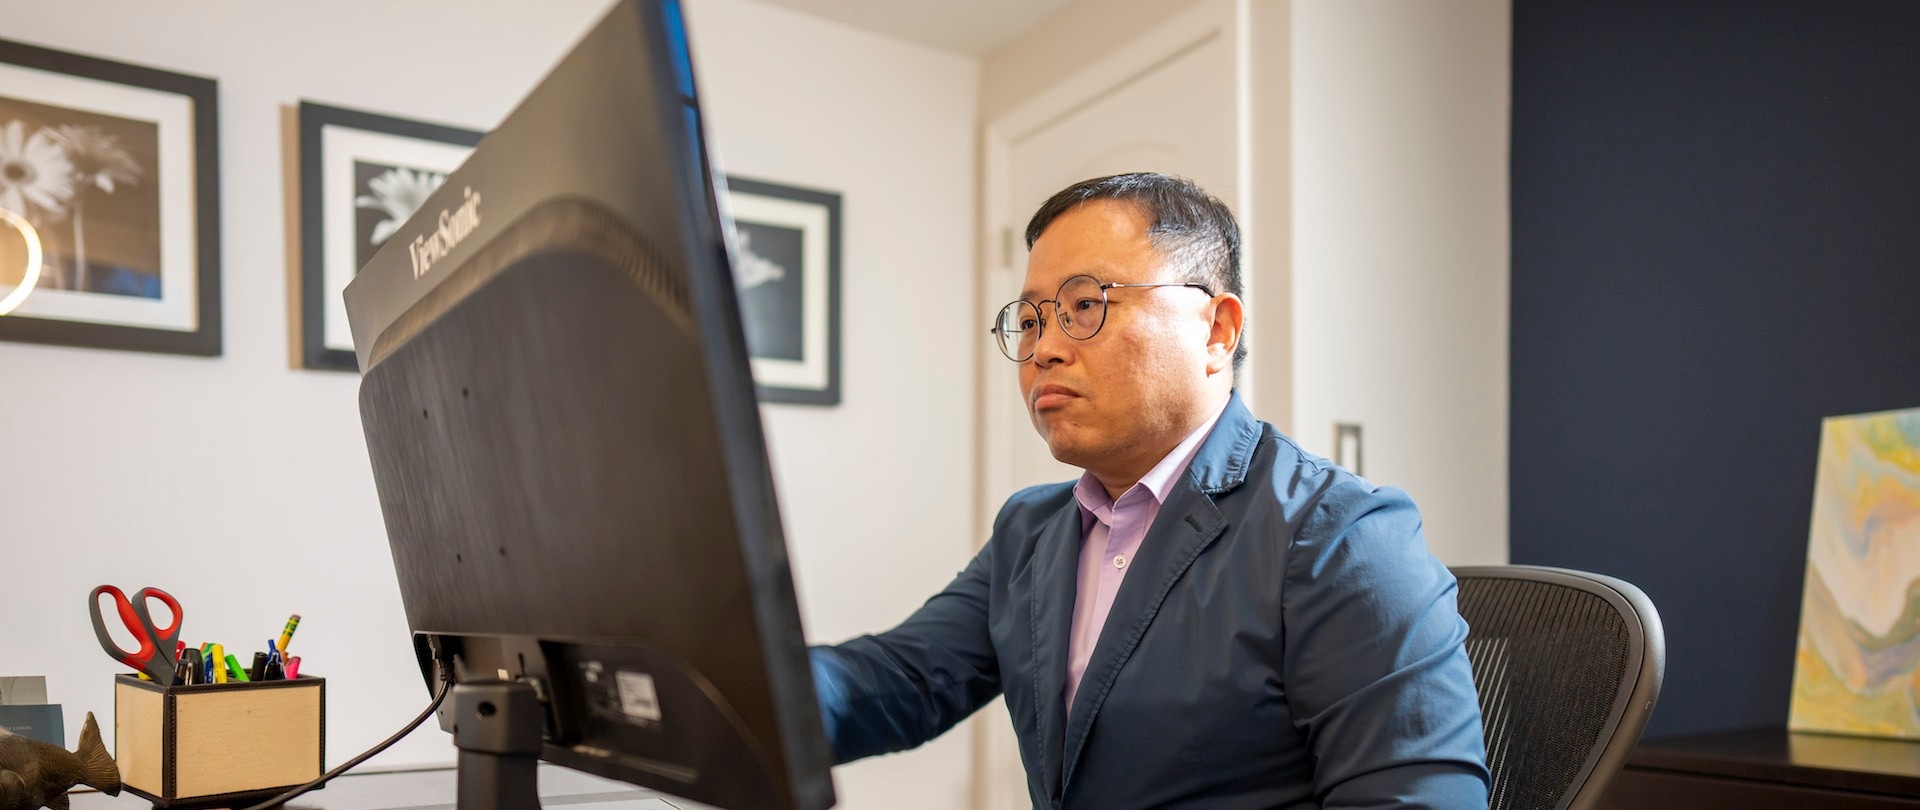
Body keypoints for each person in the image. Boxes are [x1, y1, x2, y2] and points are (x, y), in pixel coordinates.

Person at [809, 173, 1488, 809]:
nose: (1044, 346)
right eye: (1031, 320)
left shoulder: (1341, 536)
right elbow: (893, 684)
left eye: (1084, 306)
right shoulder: (1031, 532)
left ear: (1216, 330)